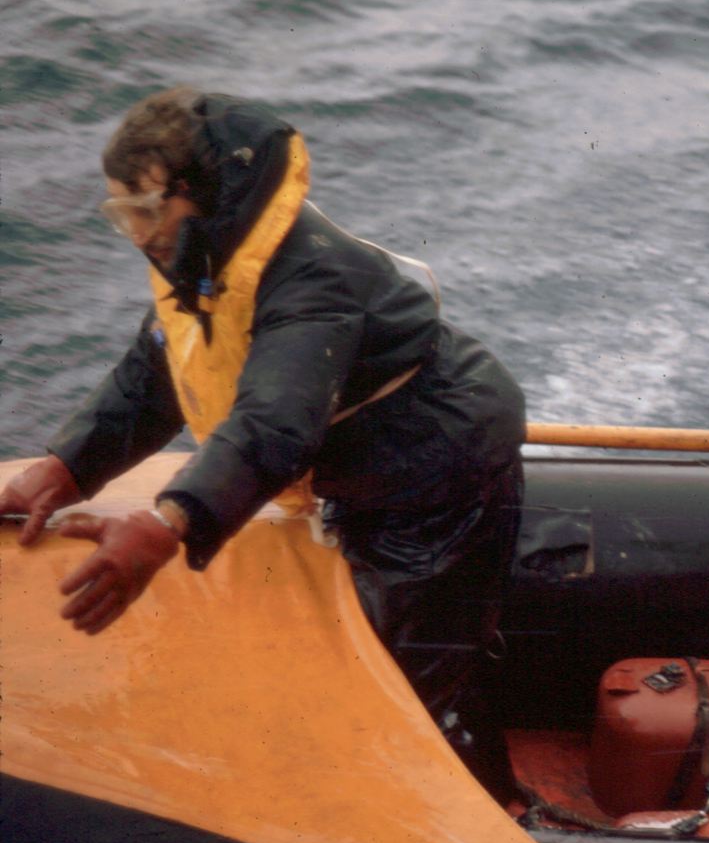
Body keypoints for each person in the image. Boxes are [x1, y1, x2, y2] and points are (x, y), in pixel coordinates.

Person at [0, 87, 527, 796]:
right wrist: (67, 467)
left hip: (434, 468)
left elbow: (275, 422)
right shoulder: (203, 256)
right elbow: (156, 374)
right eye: (119, 216)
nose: (137, 235)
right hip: (355, 463)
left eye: (146, 212)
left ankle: (490, 831)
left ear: (203, 194)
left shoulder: (312, 277)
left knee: (415, 678)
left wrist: (166, 521)